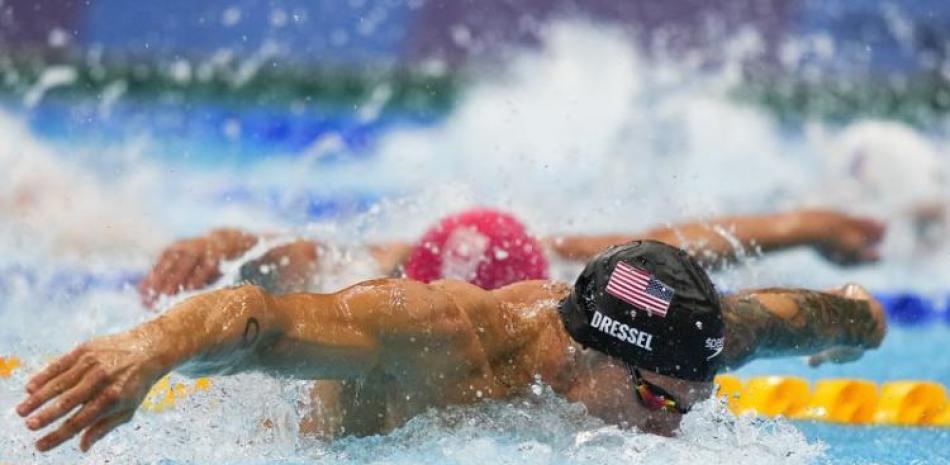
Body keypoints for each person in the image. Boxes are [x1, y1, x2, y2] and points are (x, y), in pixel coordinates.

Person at [17, 240, 886, 453]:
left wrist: (860, 325)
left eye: (690, 401)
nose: (673, 430)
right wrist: (144, 351)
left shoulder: (686, 343)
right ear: (596, 354)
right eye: (659, 401)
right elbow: (256, 316)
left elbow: (798, 314)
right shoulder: (445, 338)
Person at [138, 207, 885, 306]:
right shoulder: (370, 268)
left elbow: (675, 246)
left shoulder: (565, 272)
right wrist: (205, 245)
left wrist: (805, 226)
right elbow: (271, 248)